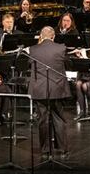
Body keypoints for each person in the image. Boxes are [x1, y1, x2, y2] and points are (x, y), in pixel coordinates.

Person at [27, 26, 71, 159]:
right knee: (59, 118)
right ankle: (63, 150)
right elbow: (68, 64)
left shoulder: (33, 49)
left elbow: (29, 64)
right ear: (53, 36)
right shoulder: (61, 48)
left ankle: (45, 151)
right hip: (57, 88)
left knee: (43, 120)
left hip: (40, 89)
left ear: (41, 36)